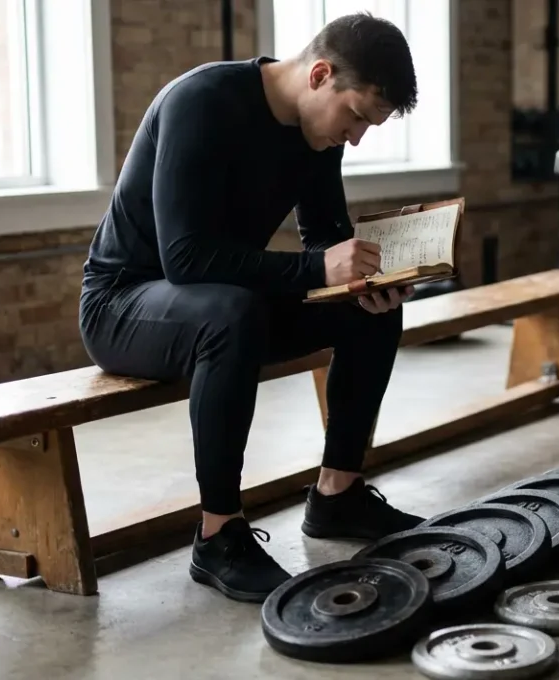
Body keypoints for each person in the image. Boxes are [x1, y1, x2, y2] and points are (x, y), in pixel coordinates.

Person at [77, 12, 427, 603]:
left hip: (222, 306)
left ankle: (337, 495)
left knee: (369, 309)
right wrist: (320, 269)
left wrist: (370, 279)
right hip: (123, 305)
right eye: (358, 117)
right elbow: (184, 259)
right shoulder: (201, 102)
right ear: (320, 75)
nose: (358, 136)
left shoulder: (317, 135)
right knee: (229, 313)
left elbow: (325, 237)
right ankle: (218, 537)